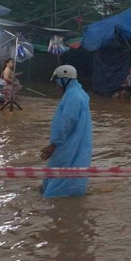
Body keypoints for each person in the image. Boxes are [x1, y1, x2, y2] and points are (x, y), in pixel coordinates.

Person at [40, 65, 92, 198]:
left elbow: (66, 123)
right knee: (68, 172)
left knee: (59, 176)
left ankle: (55, 199)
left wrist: (53, 144)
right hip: (77, 143)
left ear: (65, 80)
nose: (57, 85)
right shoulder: (80, 93)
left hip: (67, 145)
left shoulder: (73, 97)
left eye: (58, 81)